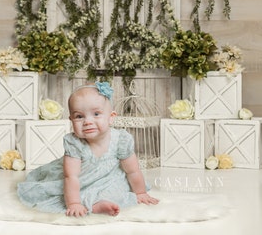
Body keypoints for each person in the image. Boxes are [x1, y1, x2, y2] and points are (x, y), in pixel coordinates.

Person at [17, 82, 159, 217]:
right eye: (79, 116)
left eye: (96, 114)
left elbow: (132, 170)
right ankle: (92, 204)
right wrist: (73, 203)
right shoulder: (74, 143)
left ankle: (101, 203)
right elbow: (70, 177)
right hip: (81, 179)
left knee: (118, 189)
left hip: (110, 177)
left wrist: (140, 193)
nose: (88, 122)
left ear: (111, 118)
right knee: (67, 192)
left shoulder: (121, 140)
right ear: (71, 120)